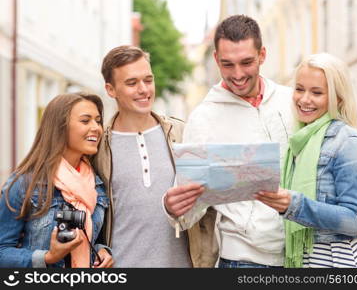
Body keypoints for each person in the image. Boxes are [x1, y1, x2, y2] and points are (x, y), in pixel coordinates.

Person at [164, 14, 294, 268]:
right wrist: (173, 207)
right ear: (215, 60)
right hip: (243, 259)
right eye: (227, 64)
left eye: (246, 62)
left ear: (262, 55)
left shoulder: (290, 101)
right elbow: (190, 211)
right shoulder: (204, 118)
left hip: (301, 255)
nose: (237, 75)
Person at [93, 45, 217, 267]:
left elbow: (208, 206)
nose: (144, 89)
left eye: (148, 80)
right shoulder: (98, 147)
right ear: (111, 90)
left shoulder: (182, 134)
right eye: (132, 83)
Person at [254, 53, 357, 268]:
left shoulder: (348, 141)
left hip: (337, 261)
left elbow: (354, 221)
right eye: (300, 89)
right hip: (305, 260)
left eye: (317, 92)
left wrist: (295, 204)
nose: (304, 99)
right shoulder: (300, 140)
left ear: (338, 98)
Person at [0, 92, 113, 268]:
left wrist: (102, 250)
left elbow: (93, 237)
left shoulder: (96, 185)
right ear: (60, 127)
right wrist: (48, 257)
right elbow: (2, 251)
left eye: (98, 121)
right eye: (85, 121)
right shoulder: (24, 184)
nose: (96, 128)